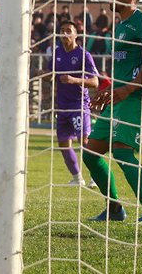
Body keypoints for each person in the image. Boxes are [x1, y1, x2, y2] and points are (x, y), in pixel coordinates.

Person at [84, 0, 142, 226]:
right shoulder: (119, 25)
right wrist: (108, 90)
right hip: (116, 98)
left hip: (135, 99)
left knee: (122, 153)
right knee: (90, 153)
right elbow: (124, 67)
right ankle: (115, 208)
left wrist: (127, 90)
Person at [51, 20, 99, 186]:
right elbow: (52, 76)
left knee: (84, 142)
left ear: (76, 35)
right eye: (62, 30)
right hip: (62, 106)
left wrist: (74, 80)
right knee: (63, 143)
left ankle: (95, 176)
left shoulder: (84, 55)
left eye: (68, 30)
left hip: (79, 105)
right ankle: (77, 178)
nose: (64, 34)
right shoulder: (56, 53)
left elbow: (95, 82)